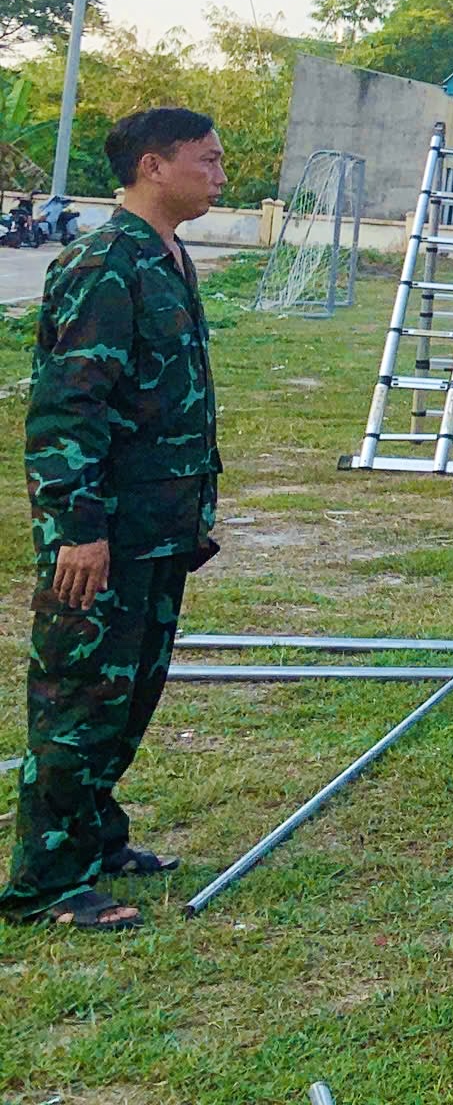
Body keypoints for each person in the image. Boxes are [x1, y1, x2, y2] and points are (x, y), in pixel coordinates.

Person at [5, 108, 227, 931]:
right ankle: (47, 882)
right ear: (152, 165)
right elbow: (68, 408)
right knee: (77, 700)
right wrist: (78, 527)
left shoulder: (167, 257)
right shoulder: (104, 263)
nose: (220, 175)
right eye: (207, 160)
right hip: (103, 531)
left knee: (127, 695)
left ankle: (96, 838)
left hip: (156, 525)